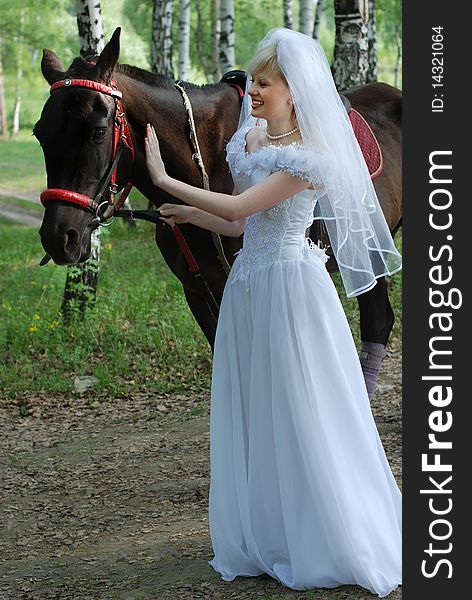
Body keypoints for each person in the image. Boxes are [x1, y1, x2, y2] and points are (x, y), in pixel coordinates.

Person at [145, 28, 402, 598]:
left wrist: (168, 180)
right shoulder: (254, 144)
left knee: (303, 409)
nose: (252, 92)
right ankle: (275, 530)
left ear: (294, 89)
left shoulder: (312, 157)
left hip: (292, 290)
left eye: (263, 83)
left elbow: (239, 203)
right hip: (250, 288)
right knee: (261, 410)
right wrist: (188, 216)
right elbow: (238, 224)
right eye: (254, 82)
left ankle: (330, 534)